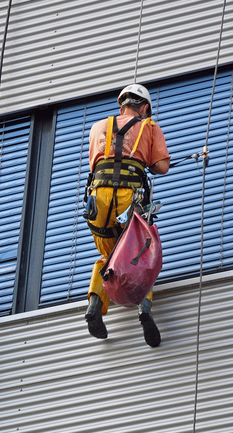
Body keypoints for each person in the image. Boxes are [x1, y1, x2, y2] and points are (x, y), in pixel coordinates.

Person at [84, 84, 170, 347]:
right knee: (141, 255)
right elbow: (162, 167)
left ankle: (95, 306)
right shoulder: (149, 126)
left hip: (98, 198)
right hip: (129, 198)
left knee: (107, 257)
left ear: (121, 104)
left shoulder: (98, 127)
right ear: (144, 107)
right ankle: (144, 309)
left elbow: (96, 163)